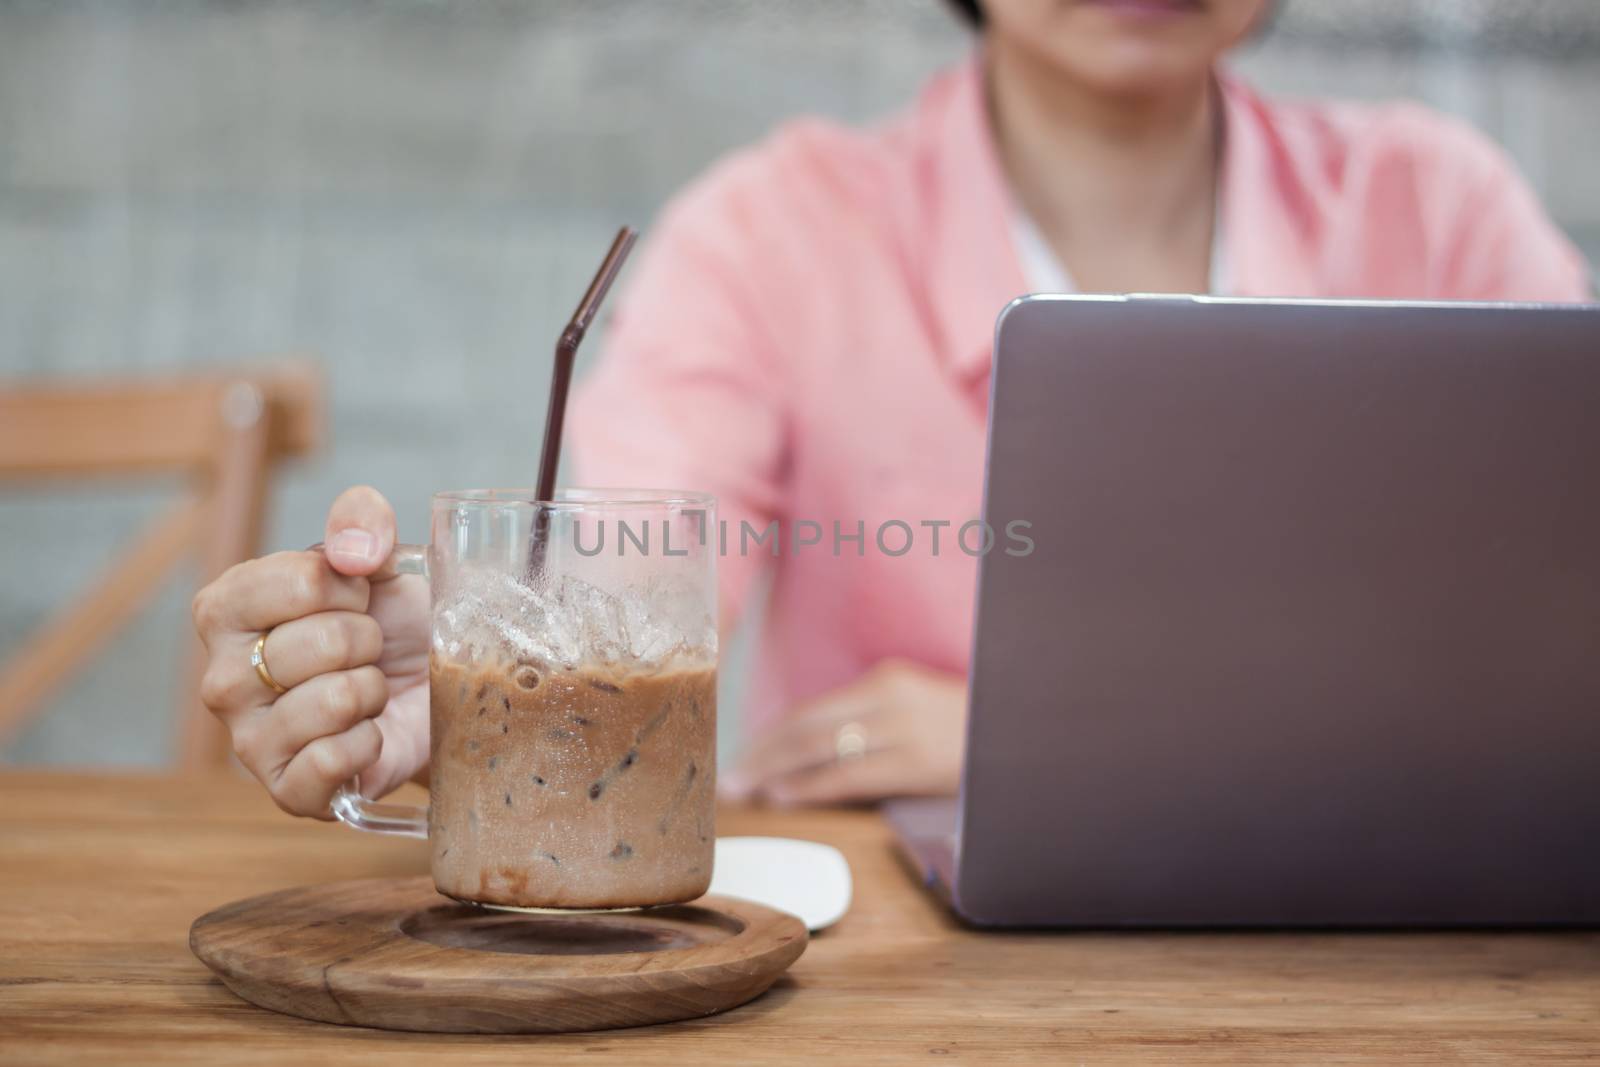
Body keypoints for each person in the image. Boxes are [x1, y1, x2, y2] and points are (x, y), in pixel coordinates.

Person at [191, 0, 1591, 820]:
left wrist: (1060, 747)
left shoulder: (1442, 209)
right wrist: (484, 667)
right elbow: (630, 572)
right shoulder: (780, 226)